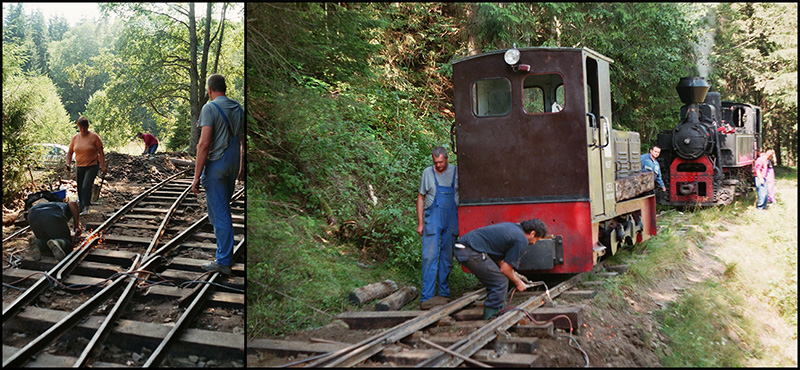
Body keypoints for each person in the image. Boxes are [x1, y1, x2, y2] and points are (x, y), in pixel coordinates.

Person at [191, 74, 244, 275]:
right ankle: (225, 252)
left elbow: (204, 144)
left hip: (217, 165)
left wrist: (196, 176)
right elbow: (242, 140)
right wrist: (242, 165)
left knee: (220, 213)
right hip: (233, 162)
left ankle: (223, 260)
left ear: (210, 89)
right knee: (221, 209)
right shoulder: (238, 108)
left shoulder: (209, 108)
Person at [454, 218, 548, 320]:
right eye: (537, 239)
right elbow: (505, 269)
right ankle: (491, 317)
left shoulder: (515, 229)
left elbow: (500, 260)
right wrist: (518, 283)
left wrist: (516, 275)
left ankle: (498, 310)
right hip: (469, 250)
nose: (534, 243)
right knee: (499, 281)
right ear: (532, 233)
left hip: (466, 248)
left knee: (498, 278)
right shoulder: (521, 240)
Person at [416, 146, 458, 310]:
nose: (439, 165)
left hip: (452, 219)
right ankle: (427, 297)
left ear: (447, 159)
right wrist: (420, 223)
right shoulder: (427, 173)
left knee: (447, 259)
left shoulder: (456, 172)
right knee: (429, 256)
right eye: (436, 162)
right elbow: (420, 198)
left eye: (441, 162)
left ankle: (443, 295)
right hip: (433, 218)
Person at [66, 116, 107, 215]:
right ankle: (81, 206)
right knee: (80, 186)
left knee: (86, 185)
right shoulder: (75, 138)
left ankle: (86, 206)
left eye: (85, 127)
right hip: (79, 165)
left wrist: (102, 165)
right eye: (81, 128)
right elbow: (70, 152)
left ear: (88, 126)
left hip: (92, 165)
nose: (83, 130)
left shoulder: (94, 137)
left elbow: (101, 152)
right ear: (78, 127)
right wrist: (68, 163)